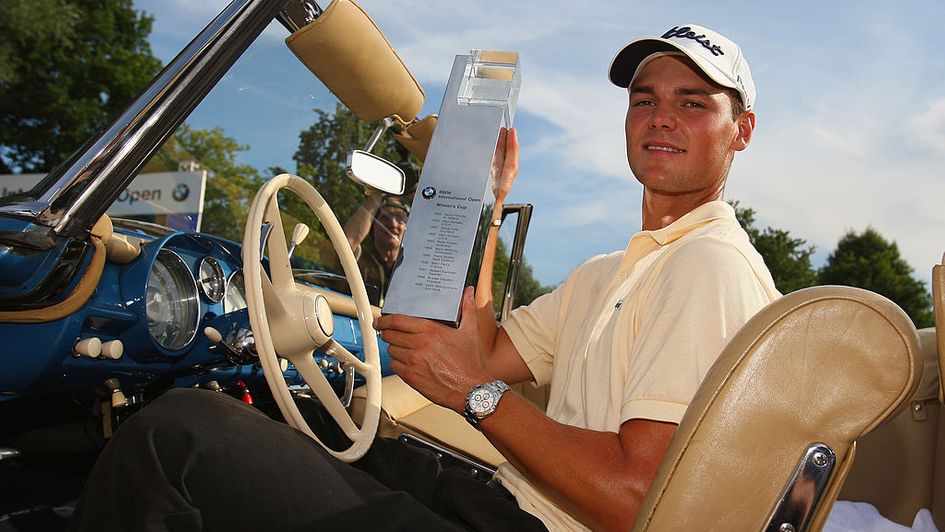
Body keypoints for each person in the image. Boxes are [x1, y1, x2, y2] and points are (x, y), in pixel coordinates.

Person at [69, 23, 779, 532]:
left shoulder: (705, 266)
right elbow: (481, 350)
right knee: (301, 412)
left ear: (740, 131)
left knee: (177, 435)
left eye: (693, 103)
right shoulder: (617, 268)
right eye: (645, 99)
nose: (661, 118)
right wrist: (485, 203)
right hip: (507, 499)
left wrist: (476, 397)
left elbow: (634, 501)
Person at [342, 193, 411, 305]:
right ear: (372, 225)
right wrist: (378, 193)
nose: (393, 224)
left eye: (400, 218)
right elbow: (345, 244)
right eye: (385, 218)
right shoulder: (361, 258)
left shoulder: (410, 268)